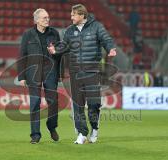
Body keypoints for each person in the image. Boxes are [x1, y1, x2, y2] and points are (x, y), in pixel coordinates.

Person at [48, 4, 117, 144]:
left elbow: (106, 39)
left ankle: (95, 129)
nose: (71, 17)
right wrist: (55, 50)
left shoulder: (96, 27)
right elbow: (64, 45)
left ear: (81, 15)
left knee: (94, 104)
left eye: (73, 14)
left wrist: (111, 49)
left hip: (92, 71)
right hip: (75, 72)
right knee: (78, 105)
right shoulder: (69, 31)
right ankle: (82, 133)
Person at [18, 8, 60, 144]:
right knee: (35, 103)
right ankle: (35, 135)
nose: (47, 20)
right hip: (33, 73)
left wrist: (59, 72)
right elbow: (22, 55)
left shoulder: (54, 33)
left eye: (48, 17)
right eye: (44, 18)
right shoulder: (28, 35)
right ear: (36, 20)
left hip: (51, 71)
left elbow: (60, 54)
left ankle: (51, 126)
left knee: (53, 102)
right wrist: (22, 76)